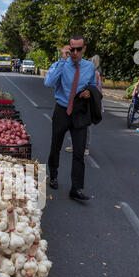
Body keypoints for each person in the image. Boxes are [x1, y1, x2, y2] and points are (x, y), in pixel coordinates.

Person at [44, 34, 100, 201]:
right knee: (56, 146)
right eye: (72, 49)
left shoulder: (89, 68)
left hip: (80, 111)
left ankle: (76, 188)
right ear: (68, 48)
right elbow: (48, 82)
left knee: (79, 152)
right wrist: (62, 60)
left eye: (78, 49)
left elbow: (93, 85)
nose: (75, 52)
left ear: (84, 49)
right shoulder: (61, 64)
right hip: (62, 110)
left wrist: (89, 91)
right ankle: (53, 175)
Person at [65, 54, 103, 155]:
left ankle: (85, 147)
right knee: (76, 123)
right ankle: (75, 145)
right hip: (83, 102)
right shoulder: (93, 72)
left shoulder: (95, 74)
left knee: (86, 125)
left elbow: (92, 89)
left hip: (90, 102)